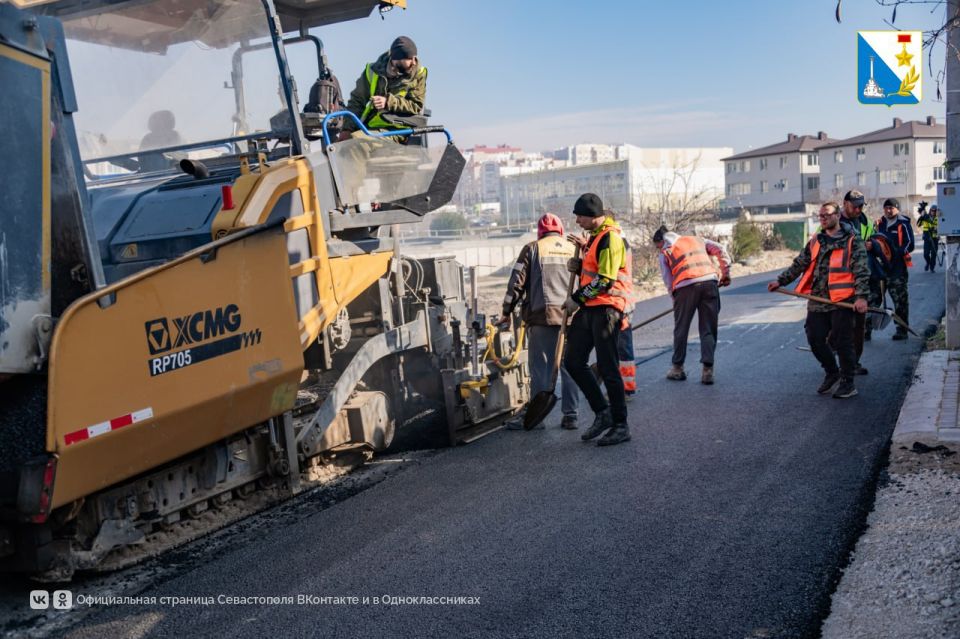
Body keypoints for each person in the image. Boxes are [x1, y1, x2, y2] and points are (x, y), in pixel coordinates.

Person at [768, 202, 871, 398]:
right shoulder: (817, 240)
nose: (822, 218)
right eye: (820, 216)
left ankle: (848, 383)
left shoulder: (852, 241)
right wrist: (780, 280)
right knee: (814, 338)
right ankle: (832, 372)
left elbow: (861, 271)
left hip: (842, 299)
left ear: (838, 215)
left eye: (826, 215)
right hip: (818, 298)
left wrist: (861, 297)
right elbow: (800, 263)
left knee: (843, 342)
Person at [562, 194, 633, 446]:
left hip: (607, 309)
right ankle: (602, 413)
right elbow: (593, 272)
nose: (577, 220)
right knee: (572, 361)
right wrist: (579, 268)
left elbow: (605, 280)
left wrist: (576, 299)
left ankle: (620, 425)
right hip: (591, 309)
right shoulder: (594, 238)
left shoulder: (611, 238)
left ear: (592, 215)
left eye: (580, 216)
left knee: (609, 367)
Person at [498, 213, 581, 430]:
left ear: (540, 231)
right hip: (571, 317)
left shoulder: (533, 248)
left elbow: (516, 283)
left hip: (542, 317)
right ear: (560, 230)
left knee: (540, 369)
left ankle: (538, 419)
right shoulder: (573, 248)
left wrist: (507, 311)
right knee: (569, 367)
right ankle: (571, 415)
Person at [653, 226, 731, 384]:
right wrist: (726, 272)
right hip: (710, 283)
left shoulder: (665, 251)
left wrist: (675, 299)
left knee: (681, 328)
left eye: (657, 246)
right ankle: (707, 371)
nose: (658, 249)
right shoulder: (697, 240)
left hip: (684, 288)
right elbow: (720, 249)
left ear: (662, 241)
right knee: (708, 328)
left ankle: (677, 368)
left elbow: (668, 280)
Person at [337, 36, 427, 141]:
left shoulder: (419, 73)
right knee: (338, 147)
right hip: (370, 127)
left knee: (358, 142)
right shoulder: (372, 71)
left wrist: (388, 101)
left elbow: (417, 105)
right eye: (410, 59)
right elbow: (357, 101)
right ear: (395, 60)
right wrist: (347, 130)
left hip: (399, 129)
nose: (414, 62)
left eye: (414, 58)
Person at [839, 190, 874, 372]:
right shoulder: (833, 222)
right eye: (855, 206)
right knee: (840, 326)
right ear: (845, 203)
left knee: (858, 326)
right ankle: (839, 360)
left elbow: (874, 237)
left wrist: (872, 245)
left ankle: (853, 363)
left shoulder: (864, 221)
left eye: (861, 205)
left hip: (861, 280)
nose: (859, 209)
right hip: (839, 284)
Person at [875, 198, 915, 340]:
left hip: (897, 269)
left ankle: (901, 330)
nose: (888, 210)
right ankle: (865, 330)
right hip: (880, 268)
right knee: (873, 299)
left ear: (897, 209)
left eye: (891, 208)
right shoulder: (879, 223)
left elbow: (909, 244)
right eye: (886, 208)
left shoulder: (903, 224)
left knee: (900, 301)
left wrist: (895, 253)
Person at [918, 203, 939, 273]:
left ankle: (932, 268)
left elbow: (941, 228)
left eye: (934, 211)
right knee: (926, 254)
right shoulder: (925, 217)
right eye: (932, 210)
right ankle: (928, 263)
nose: (933, 212)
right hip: (927, 238)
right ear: (930, 210)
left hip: (935, 238)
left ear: (936, 211)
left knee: (933, 254)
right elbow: (918, 224)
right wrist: (921, 216)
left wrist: (935, 229)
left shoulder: (938, 218)